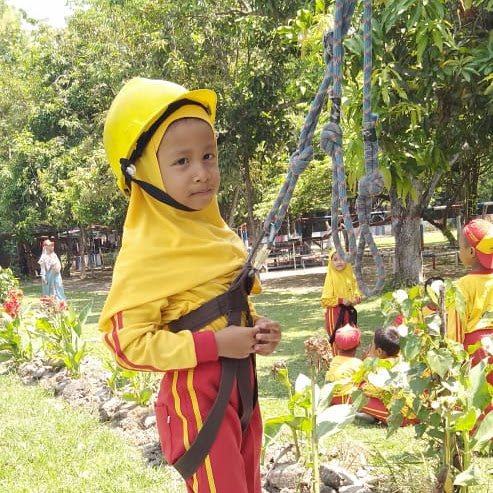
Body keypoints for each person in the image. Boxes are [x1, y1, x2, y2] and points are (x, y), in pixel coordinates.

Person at [98, 77, 281, 493]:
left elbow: (223, 310)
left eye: (209, 155)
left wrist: (261, 332)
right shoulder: (147, 254)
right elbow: (127, 344)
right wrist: (214, 347)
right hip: (197, 405)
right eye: (182, 162)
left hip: (242, 392)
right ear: (144, 173)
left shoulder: (219, 239)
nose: (202, 173)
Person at [447, 218, 493, 387]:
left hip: (477, 354)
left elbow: (455, 332)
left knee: (478, 407)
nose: (459, 251)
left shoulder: (461, 286)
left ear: (472, 252)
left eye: (460, 248)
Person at [357, 326, 417, 426]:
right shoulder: (404, 359)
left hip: (404, 418)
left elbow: (367, 390)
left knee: (359, 397)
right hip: (419, 411)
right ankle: (371, 414)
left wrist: (365, 366)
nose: (368, 347)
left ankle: (371, 414)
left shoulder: (380, 366)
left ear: (379, 351)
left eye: (371, 345)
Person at [321, 249, 361, 354]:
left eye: (342, 258)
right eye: (335, 259)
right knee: (337, 340)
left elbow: (356, 289)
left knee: (350, 338)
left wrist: (356, 299)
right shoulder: (330, 277)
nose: (339, 262)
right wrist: (341, 300)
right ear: (331, 262)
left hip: (348, 312)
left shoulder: (349, 274)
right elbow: (325, 300)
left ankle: (349, 362)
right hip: (335, 313)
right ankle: (337, 364)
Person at [325, 324, 363, 404]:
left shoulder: (334, 360)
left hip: (329, 399)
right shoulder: (358, 363)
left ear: (335, 346)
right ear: (359, 344)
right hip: (346, 401)